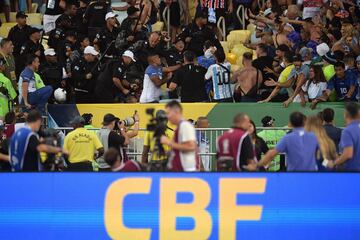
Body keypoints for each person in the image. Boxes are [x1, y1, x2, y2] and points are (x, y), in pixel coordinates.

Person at [245, 112, 319, 171]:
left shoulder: (288, 138)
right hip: (311, 173)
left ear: (291, 123)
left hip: (294, 173)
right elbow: (323, 152)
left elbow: (271, 154)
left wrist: (256, 165)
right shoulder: (313, 136)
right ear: (304, 122)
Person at [160, 101, 200, 172]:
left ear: (176, 112)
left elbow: (191, 147)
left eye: (168, 113)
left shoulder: (185, 126)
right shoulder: (180, 127)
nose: (167, 117)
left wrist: (168, 142)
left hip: (186, 171)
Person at [328, 103, 360, 171]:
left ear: (346, 114)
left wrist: (334, 163)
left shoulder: (348, 131)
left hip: (353, 172)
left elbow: (348, 154)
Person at [7, 11, 31, 77]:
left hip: (26, 57)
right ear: (17, 19)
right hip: (15, 56)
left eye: (25, 18)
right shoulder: (13, 30)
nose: (24, 19)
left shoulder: (29, 29)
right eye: (22, 18)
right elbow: (8, 42)